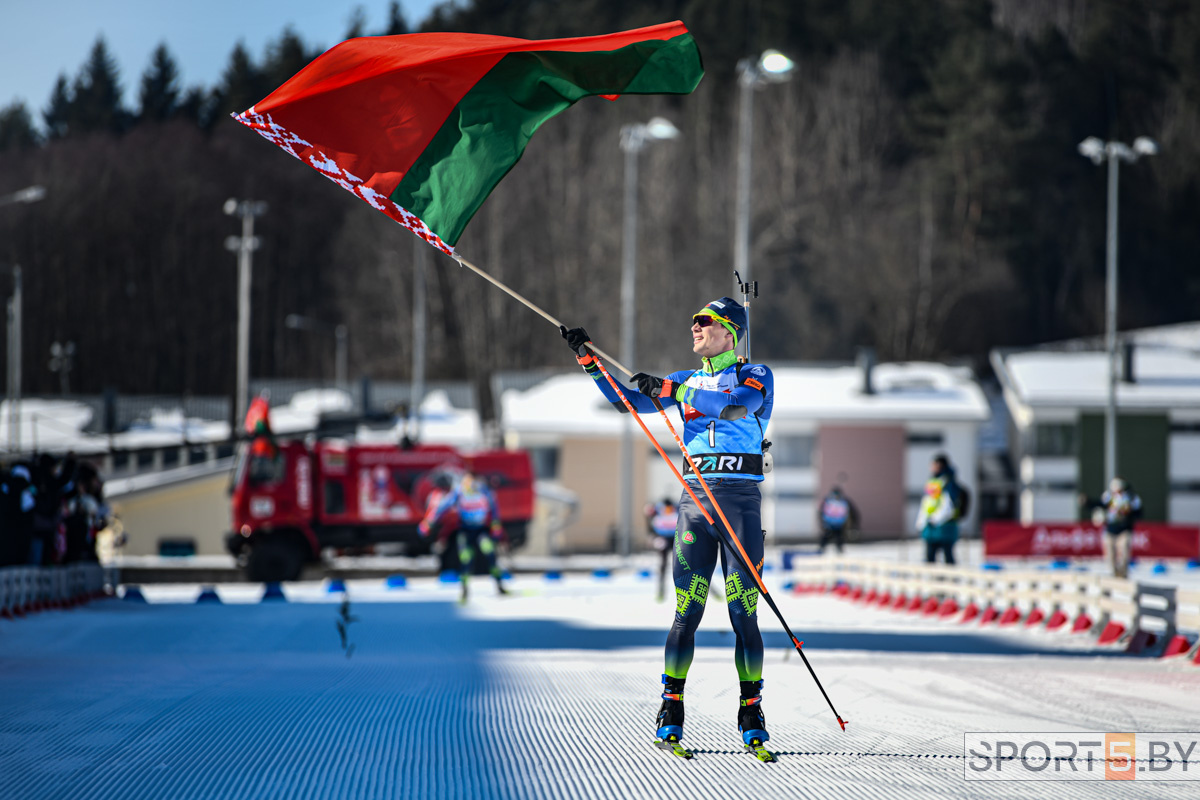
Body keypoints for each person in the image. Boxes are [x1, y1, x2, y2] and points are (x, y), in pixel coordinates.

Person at [562, 295, 774, 753]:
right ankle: (671, 706)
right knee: (687, 613)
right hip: (696, 507)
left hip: (739, 504)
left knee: (743, 614)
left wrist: (675, 392)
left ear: (730, 333)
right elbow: (627, 403)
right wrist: (590, 360)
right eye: (694, 320)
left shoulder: (753, 375)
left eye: (705, 321)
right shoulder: (684, 380)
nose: (694, 327)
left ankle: (751, 709)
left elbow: (736, 408)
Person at [418, 471, 508, 601]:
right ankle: (465, 589)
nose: (470, 487)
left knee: (489, 553)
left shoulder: (483, 491)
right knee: (465, 558)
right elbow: (443, 507)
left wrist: (496, 524)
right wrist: (429, 523)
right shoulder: (459, 492)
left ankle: (499, 585)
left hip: (480, 530)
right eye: (467, 483)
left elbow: (494, 509)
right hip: (465, 530)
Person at [916, 454, 961, 565]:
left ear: (940, 465)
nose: (931, 467)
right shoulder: (933, 480)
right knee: (930, 556)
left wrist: (936, 518)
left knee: (947, 556)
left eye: (934, 464)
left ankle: (948, 580)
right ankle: (933, 580)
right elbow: (927, 501)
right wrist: (921, 520)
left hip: (945, 525)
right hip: (931, 526)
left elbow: (948, 505)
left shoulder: (948, 481)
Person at [1096, 477, 1142, 579]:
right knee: (1110, 553)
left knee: (1125, 551)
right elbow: (1100, 505)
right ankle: (1114, 573)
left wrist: (1128, 515)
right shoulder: (1109, 497)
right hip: (1111, 529)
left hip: (1124, 529)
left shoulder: (1130, 498)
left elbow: (1139, 512)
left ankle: (1123, 573)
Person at [645, 498, 679, 602]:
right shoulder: (657, 513)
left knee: (685, 563)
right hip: (663, 540)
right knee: (663, 565)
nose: (668, 511)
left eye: (670, 509)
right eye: (666, 509)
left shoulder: (677, 510)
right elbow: (650, 527)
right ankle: (661, 590)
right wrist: (655, 538)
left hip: (675, 539)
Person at [817, 486, 857, 555]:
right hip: (836, 523)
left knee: (832, 537)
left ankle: (824, 549)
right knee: (835, 537)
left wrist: (822, 522)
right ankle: (835, 550)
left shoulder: (828, 500)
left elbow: (820, 512)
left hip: (832, 523)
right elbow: (853, 512)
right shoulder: (844, 501)